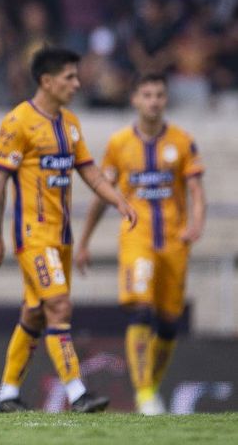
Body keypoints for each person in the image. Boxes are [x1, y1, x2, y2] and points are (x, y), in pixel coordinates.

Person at [0, 46, 137, 413]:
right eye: (69, 77)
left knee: (35, 314)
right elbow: (0, 180)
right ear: (47, 81)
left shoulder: (70, 123)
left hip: (62, 238)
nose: (77, 83)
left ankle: (7, 394)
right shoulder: (18, 122)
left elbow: (89, 171)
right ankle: (78, 393)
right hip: (33, 236)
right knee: (59, 306)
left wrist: (118, 200)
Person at [75, 73, 205, 415]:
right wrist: (84, 241)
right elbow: (103, 195)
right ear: (134, 99)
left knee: (169, 323)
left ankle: (149, 391)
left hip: (174, 242)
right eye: (146, 95)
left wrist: (196, 224)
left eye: (159, 95)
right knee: (141, 310)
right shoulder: (119, 144)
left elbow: (195, 190)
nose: (153, 101)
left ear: (166, 99)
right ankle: (145, 393)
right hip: (138, 240)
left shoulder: (182, 141)